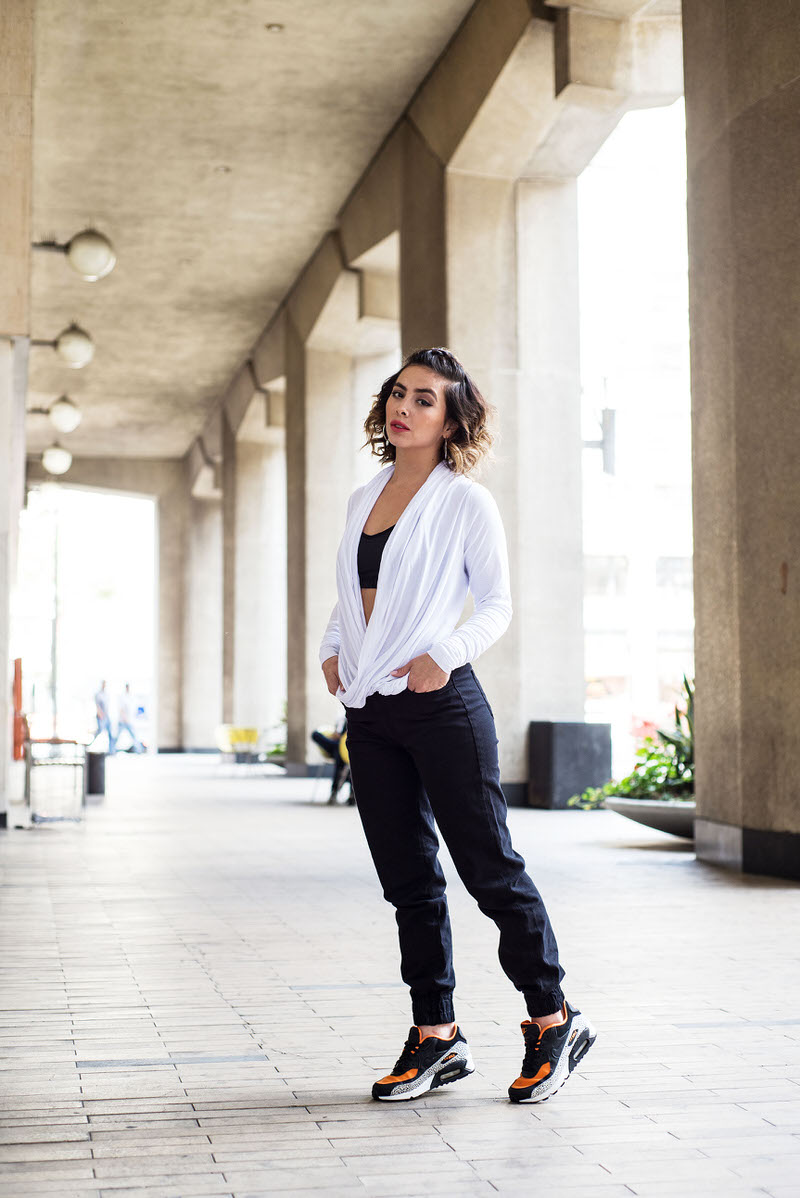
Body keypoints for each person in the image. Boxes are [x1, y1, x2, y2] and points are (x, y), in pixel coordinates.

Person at [319, 347, 596, 1104]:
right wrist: (333, 649)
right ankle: (436, 1036)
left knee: (489, 870)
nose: (404, 408)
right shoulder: (363, 496)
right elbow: (351, 591)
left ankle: (552, 1018)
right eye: (399, 394)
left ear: (451, 421)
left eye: (426, 400)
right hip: (371, 714)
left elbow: (498, 606)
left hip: (443, 705)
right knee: (408, 880)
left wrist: (443, 654)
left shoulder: (466, 502)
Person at [116, 683, 144, 753]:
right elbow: (121, 709)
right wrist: (125, 718)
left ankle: (139, 750)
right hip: (123, 721)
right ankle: (112, 751)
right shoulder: (122, 697)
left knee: (134, 736)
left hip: (129, 721)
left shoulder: (131, 697)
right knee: (116, 736)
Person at [93, 680, 116, 754]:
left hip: (107, 716)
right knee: (99, 732)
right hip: (101, 716)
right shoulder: (98, 694)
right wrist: (100, 714)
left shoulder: (106, 694)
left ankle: (111, 751)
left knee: (110, 734)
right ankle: (90, 744)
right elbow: (97, 706)